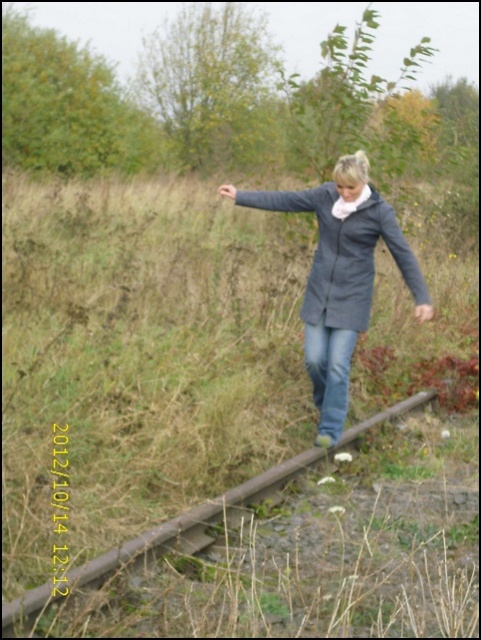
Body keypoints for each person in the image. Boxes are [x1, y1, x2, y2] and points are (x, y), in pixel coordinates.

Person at [218, 150, 434, 449]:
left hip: (353, 296)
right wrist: (241, 195)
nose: (344, 193)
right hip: (320, 293)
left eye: (351, 188)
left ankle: (330, 430)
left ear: (364, 182)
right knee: (314, 360)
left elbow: (403, 254)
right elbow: (286, 200)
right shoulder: (324, 196)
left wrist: (421, 297)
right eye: (339, 186)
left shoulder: (380, 212)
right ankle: (326, 404)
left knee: (336, 364)